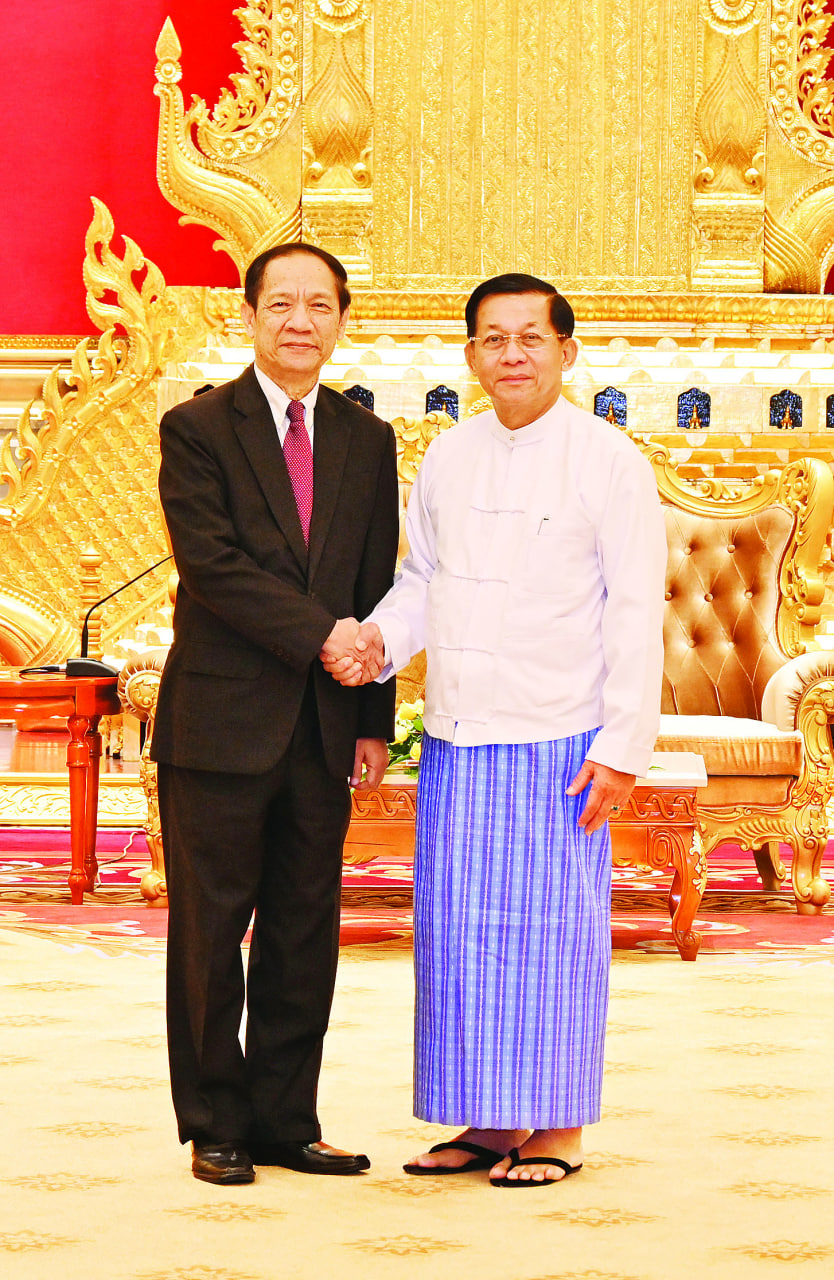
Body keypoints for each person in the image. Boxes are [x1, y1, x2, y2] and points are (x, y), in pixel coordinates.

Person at [323, 273, 666, 1187]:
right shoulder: (448, 455)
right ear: (471, 353)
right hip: (457, 735)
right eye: (493, 339)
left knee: (552, 936)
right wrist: (378, 642)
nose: (512, 354)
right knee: (463, 935)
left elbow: (637, 613)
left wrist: (621, 749)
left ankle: (557, 1127)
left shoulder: (609, 461)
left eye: (531, 337)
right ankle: (487, 1119)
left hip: (561, 738)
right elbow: (421, 583)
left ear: (566, 351)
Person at [151, 243, 399, 1184]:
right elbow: (212, 567)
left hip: (326, 724)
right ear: (249, 314)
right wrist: (322, 635)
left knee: (305, 930)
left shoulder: (366, 438)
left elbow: (374, 581)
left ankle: (285, 1121)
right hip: (220, 724)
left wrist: (372, 714)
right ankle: (214, 1122)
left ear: (342, 320)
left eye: (320, 305)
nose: (301, 321)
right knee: (212, 933)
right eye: (282, 303)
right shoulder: (197, 427)